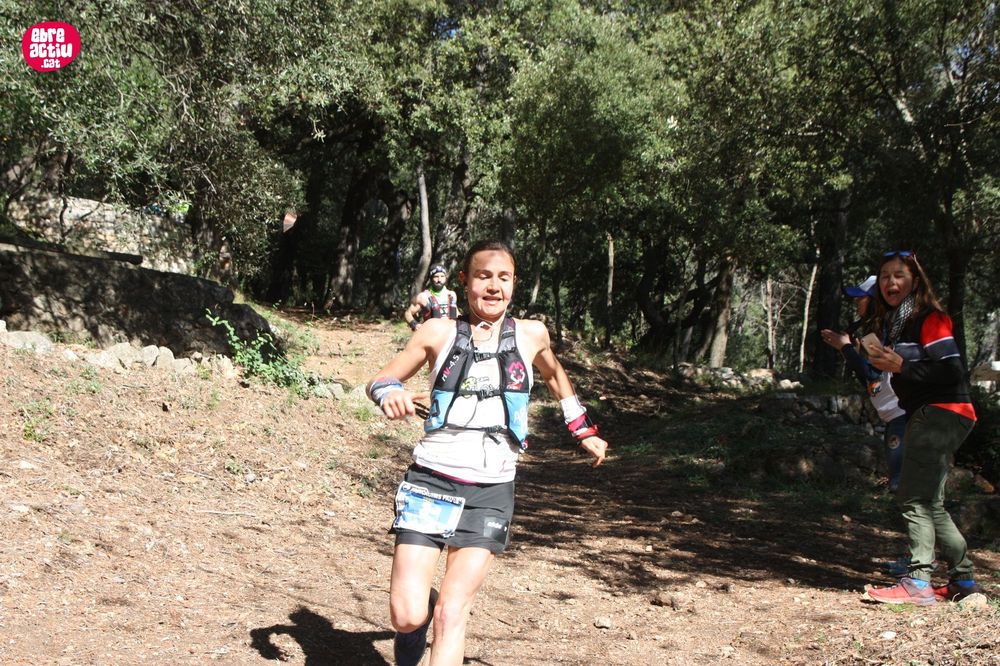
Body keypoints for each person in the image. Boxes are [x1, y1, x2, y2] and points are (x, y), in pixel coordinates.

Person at [367, 240, 608, 665]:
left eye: (504, 278)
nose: (494, 287)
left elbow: (555, 376)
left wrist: (581, 427)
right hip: (431, 481)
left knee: (452, 613)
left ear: (514, 284)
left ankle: (436, 619)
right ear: (464, 282)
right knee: (407, 615)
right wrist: (390, 394)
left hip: (492, 490)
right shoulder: (437, 331)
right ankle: (416, 625)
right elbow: (381, 380)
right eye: (483, 276)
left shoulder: (531, 334)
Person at [863, 250, 984, 605]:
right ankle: (963, 581)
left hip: (940, 413)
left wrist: (903, 367)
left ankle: (917, 582)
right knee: (931, 501)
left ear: (915, 281)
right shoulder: (898, 325)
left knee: (913, 497)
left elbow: (952, 370)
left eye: (899, 275)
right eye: (885, 276)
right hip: (940, 413)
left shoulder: (930, 318)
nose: (890, 282)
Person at [820, 275, 907, 492]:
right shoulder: (876, 332)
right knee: (899, 481)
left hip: (902, 416)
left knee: (900, 484)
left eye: (861, 298)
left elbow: (872, 373)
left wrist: (846, 348)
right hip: (894, 416)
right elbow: (872, 382)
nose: (857, 302)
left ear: (876, 301)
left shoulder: (886, 332)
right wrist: (851, 353)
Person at [404, 264, 459, 331]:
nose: (439, 280)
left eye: (442, 276)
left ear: (445, 278)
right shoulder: (423, 296)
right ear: (431, 278)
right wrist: (415, 325)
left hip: (451, 332)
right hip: (432, 333)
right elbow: (408, 313)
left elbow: (457, 313)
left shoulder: (452, 295)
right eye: (436, 276)